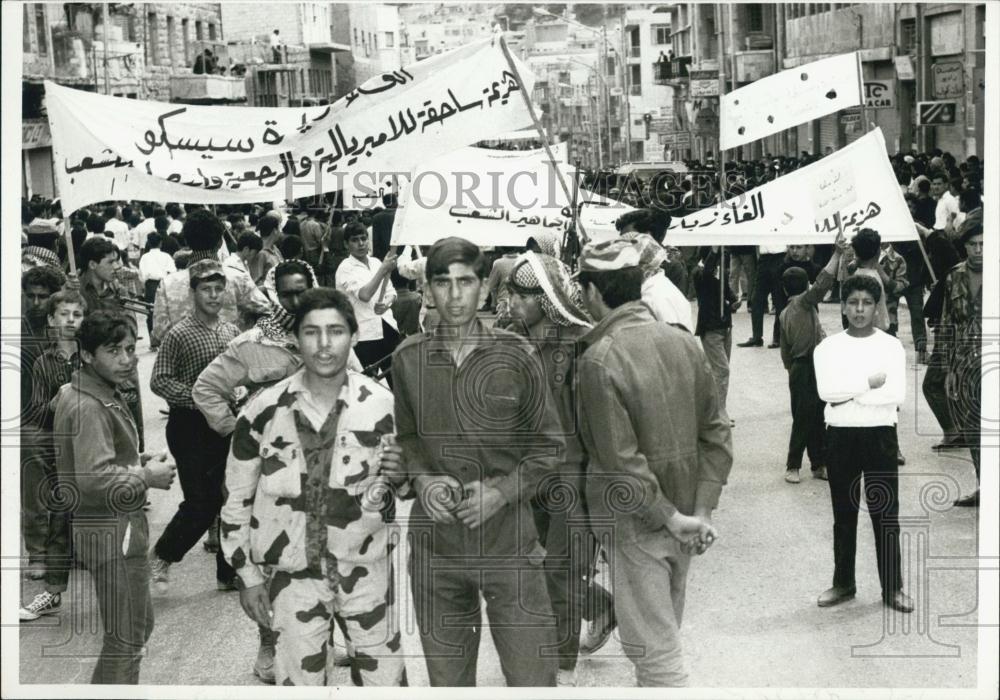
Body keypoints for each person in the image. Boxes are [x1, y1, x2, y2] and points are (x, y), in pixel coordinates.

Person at [392, 237, 564, 686]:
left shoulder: (517, 355)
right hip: (438, 551)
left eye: (465, 282)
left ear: (484, 290)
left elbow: (549, 448)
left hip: (510, 545)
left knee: (534, 679)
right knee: (448, 683)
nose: (454, 295)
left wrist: (500, 492)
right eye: (442, 283)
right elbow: (407, 436)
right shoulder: (408, 359)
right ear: (427, 290)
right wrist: (423, 478)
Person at [221, 288, 406, 686]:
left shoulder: (383, 406)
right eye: (311, 332)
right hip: (292, 582)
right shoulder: (263, 411)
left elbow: (403, 489)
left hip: (367, 572)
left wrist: (403, 475)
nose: (324, 345)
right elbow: (235, 500)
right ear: (296, 338)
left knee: (386, 686)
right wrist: (247, 576)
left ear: (354, 336)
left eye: (336, 331)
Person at [574, 239, 732, 686]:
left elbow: (620, 461)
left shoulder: (599, 359)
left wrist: (671, 517)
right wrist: (698, 513)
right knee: (662, 639)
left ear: (590, 292)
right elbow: (717, 435)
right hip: (683, 517)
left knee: (658, 660)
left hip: (637, 521)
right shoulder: (684, 344)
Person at [51, 311, 176, 683]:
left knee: (134, 630)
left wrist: (135, 460)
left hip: (112, 529)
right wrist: (145, 475)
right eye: (113, 351)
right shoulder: (88, 404)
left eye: (128, 348)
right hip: (111, 530)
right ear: (88, 356)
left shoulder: (91, 391)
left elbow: (95, 460)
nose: (126, 359)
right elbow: (91, 478)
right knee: (128, 638)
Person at [506, 251, 600, 687]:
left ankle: (561, 660)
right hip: (526, 472)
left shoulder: (580, 344)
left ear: (543, 298)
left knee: (563, 567)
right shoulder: (511, 341)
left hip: (570, 474)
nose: (511, 302)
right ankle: (600, 609)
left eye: (521, 295)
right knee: (528, 561)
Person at [813, 275, 913, 614]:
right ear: (842, 306)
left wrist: (848, 393)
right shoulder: (828, 348)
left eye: (866, 303)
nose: (859, 309)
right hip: (840, 436)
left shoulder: (890, 346)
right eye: (853, 302)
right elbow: (826, 392)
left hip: (880, 435)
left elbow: (895, 395)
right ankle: (843, 583)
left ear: (877, 307)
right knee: (844, 513)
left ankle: (893, 587)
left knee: (886, 515)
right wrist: (869, 383)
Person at [148, 260, 241, 594]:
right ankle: (161, 556)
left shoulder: (231, 331)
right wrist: (198, 398)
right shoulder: (179, 334)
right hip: (190, 428)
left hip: (225, 426)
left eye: (219, 288)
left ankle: (229, 572)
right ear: (193, 293)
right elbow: (159, 380)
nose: (214, 295)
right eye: (206, 289)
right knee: (201, 504)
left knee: (233, 497)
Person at [19, 291, 86, 614]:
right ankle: (53, 590)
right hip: (63, 454)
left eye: (77, 314)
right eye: (63, 314)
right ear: (50, 320)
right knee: (60, 519)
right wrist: (56, 403)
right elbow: (37, 414)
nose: (70, 320)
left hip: (94, 449)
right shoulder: (44, 363)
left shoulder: (93, 355)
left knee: (105, 518)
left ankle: (120, 587)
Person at [778, 234, 847, 484]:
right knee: (806, 419)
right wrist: (837, 254)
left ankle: (819, 464)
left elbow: (784, 350)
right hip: (807, 367)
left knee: (815, 416)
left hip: (800, 368)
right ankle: (793, 465)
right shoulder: (804, 304)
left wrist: (791, 370)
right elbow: (823, 283)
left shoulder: (785, 312)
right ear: (806, 286)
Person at [152, 209, 270, 347]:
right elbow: (268, 313)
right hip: (232, 360)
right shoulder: (238, 278)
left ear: (187, 241)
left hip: (186, 363)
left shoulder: (168, 284)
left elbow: (159, 333)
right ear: (220, 242)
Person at [940, 224, 983, 507]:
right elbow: (947, 324)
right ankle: (985, 486)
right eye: (972, 245)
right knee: (973, 429)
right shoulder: (954, 275)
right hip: (966, 365)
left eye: (983, 244)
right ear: (964, 247)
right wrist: (949, 369)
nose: (978, 250)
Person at [335, 222, 400, 382]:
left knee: (397, 381)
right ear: (346, 244)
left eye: (364, 238)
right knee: (367, 384)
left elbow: (391, 292)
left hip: (387, 327)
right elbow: (364, 295)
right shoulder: (345, 268)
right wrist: (383, 269)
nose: (361, 243)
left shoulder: (376, 262)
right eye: (355, 240)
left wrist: (387, 304)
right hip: (363, 335)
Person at [692, 247, 739, 421]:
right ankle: (719, 415)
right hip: (711, 329)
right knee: (722, 371)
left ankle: (717, 411)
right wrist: (714, 250)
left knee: (719, 373)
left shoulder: (720, 273)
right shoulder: (699, 273)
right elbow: (707, 273)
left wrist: (734, 300)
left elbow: (726, 290)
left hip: (725, 326)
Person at [138, 233, 176, 341]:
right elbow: (172, 271)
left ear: (149, 243)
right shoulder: (166, 256)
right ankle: (166, 338)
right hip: (165, 283)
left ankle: (153, 340)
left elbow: (142, 275)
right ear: (160, 243)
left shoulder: (145, 257)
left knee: (150, 312)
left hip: (150, 285)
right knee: (166, 311)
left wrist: (144, 287)